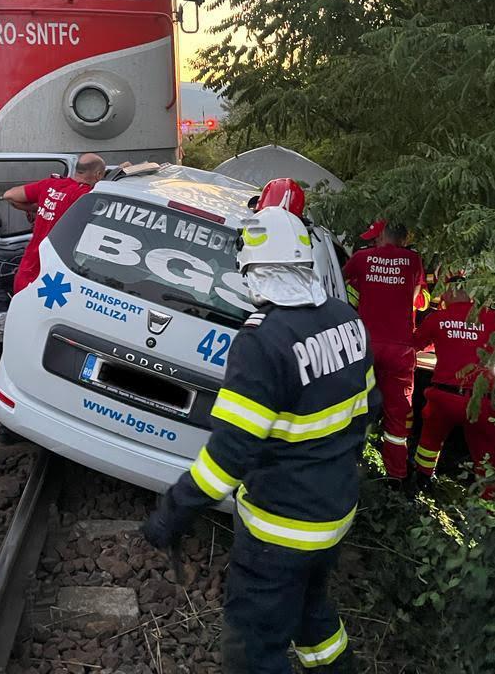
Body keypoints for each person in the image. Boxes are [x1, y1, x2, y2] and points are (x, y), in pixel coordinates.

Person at [142, 205, 379, 674]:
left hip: (280, 528)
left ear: (253, 273)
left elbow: (229, 457)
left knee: (253, 645)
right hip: (334, 513)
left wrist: (173, 513)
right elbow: (369, 409)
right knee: (311, 609)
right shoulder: (344, 318)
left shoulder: (261, 342)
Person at [342, 220, 425, 481]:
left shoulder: (362, 258)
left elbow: (337, 282)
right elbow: (418, 299)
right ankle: (395, 478)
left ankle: (344, 464)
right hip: (400, 348)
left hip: (365, 343)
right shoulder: (414, 261)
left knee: (351, 404)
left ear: (383, 237)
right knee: (398, 420)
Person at [412, 279, 495, 494]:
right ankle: (491, 510)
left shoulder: (438, 318)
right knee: (488, 455)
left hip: (443, 397)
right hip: (481, 401)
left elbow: (415, 344)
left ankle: (420, 483)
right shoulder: (493, 318)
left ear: (448, 293)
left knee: (429, 441)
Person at [4, 152, 106, 293]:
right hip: (55, 276)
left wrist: (40, 207)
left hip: (27, 270)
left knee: (21, 312)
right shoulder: (87, 197)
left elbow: (9, 195)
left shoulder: (50, 185)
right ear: (99, 174)